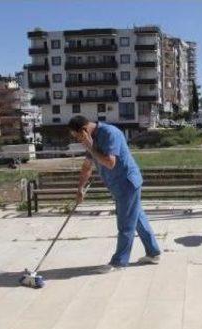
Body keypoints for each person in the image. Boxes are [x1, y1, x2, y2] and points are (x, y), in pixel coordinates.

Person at [69, 116, 161, 272]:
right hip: (118, 186)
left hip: (127, 183)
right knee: (137, 219)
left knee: (125, 224)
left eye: (77, 137)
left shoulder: (110, 133)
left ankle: (119, 262)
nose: (79, 141)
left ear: (84, 130)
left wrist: (91, 147)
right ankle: (153, 253)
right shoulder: (93, 139)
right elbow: (87, 166)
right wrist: (80, 188)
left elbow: (110, 163)